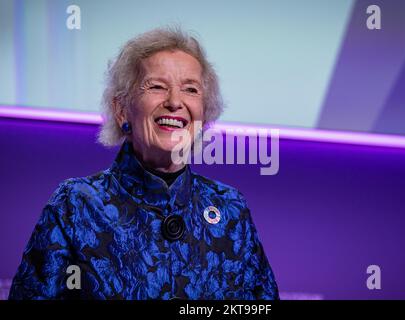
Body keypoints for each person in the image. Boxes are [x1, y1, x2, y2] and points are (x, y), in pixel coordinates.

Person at [9, 27, 279, 300]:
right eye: (157, 86)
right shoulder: (75, 204)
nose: (175, 102)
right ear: (122, 108)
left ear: (205, 113)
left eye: (191, 89)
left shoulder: (230, 208)